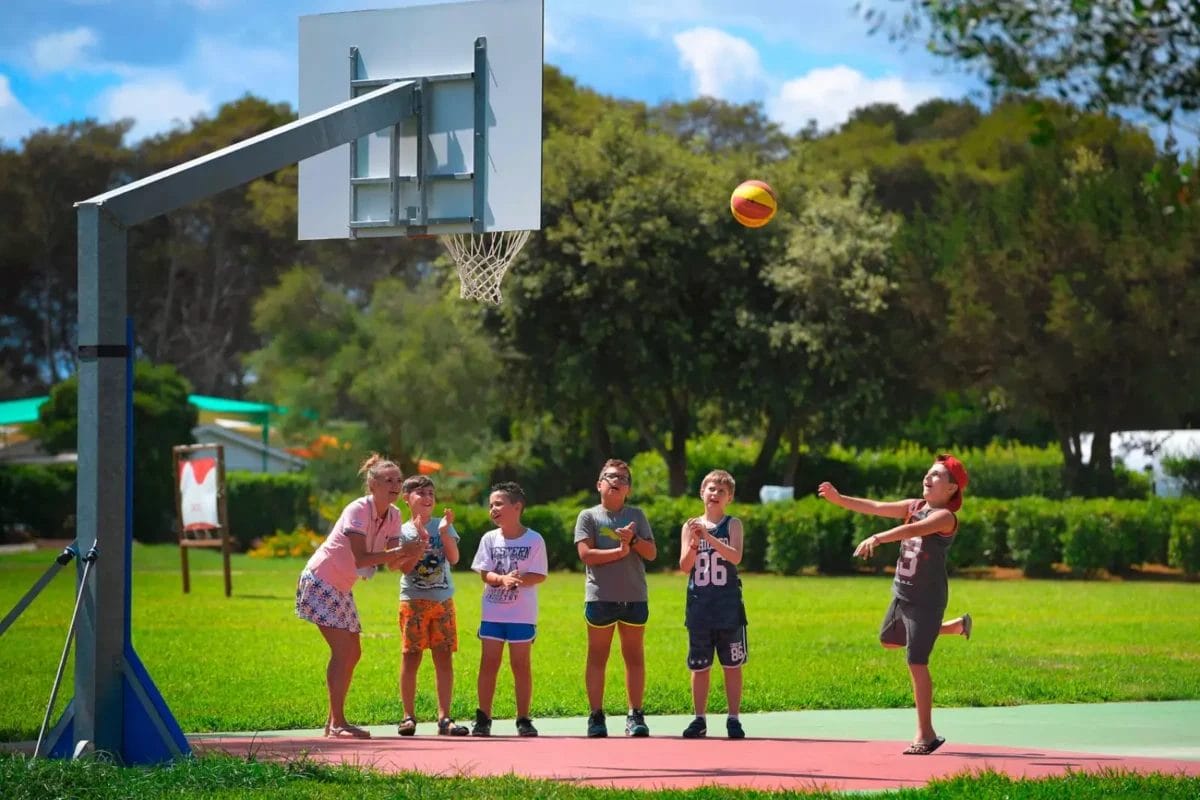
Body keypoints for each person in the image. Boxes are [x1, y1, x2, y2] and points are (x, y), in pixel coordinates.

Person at [817, 453, 973, 756]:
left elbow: (913, 530)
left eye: (937, 476)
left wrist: (878, 538)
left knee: (916, 662)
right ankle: (952, 628)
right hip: (902, 592)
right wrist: (839, 499)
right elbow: (875, 507)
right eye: (928, 472)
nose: (928, 477)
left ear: (952, 488)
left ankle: (926, 734)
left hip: (927, 599)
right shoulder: (914, 506)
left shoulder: (945, 518)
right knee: (889, 640)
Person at [295, 453, 422, 739]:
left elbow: (391, 564)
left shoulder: (394, 515)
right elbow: (363, 558)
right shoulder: (358, 509)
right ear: (372, 484)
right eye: (388, 480)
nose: (395, 485)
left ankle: (334, 724)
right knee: (344, 651)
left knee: (353, 652)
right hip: (320, 580)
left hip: (341, 586)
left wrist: (416, 549)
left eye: (398, 480)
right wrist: (402, 551)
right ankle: (338, 724)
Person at [574, 459, 657, 738]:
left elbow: (651, 553)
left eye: (622, 478)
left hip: (634, 596)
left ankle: (635, 715)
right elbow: (586, 555)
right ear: (599, 485)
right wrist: (619, 553)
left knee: (634, 657)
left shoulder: (637, 515)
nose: (616, 481)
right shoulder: (588, 516)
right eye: (609, 476)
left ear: (628, 489)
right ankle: (596, 716)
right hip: (601, 597)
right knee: (598, 656)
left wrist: (632, 541)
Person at [469, 482, 548, 737]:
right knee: (489, 663)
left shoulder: (534, 539)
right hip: (493, 613)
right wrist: (501, 579)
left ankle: (523, 718)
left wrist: (518, 580)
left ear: (517, 507)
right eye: (491, 505)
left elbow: (539, 575)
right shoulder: (489, 539)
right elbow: (484, 572)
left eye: (499, 504)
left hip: (521, 616)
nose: (493, 509)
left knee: (520, 665)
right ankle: (483, 717)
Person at [391, 475, 467, 737]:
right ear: (407, 498)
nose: (427, 498)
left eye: (431, 494)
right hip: (413, 601)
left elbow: (455, 558)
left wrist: (444, 533)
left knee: (443, 659)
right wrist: (421, 541)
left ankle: (445, 718)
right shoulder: (402, 531)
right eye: (420, 493)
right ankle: (408, 716)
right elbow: (404, 567)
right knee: (411, 658)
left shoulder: (442, 525)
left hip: (443, 601)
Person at [678, 470, 748, 740]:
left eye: (721, 491)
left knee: (732, 663)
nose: (715, 494)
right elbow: (685, 566)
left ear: (729, 497)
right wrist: (695, 543)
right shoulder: (690, 526)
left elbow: (736, 556)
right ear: (701, 493)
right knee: (699, 665)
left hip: (727, 606)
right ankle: (699, 718)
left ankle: (733, 717)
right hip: (700, 605)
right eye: (710, 489)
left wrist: (709, 538)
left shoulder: (733, 525)